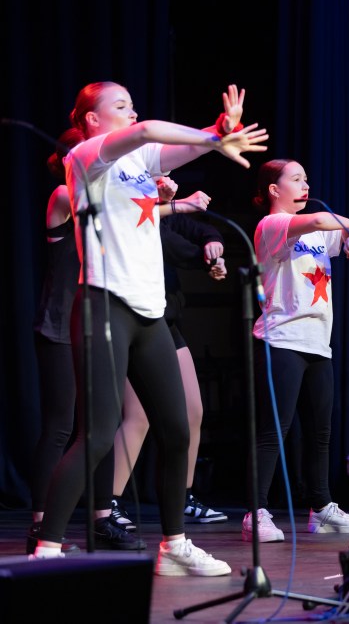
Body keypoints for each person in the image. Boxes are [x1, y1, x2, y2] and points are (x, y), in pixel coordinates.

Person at [32, 80, 267, 578]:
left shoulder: (139, 163)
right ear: (92, 119)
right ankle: (46, 550)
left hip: (149, 310)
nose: (132, 112)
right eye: (120, 105)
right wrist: (212, 135)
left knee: (177, 430)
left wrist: (215, 137)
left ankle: (175, 545)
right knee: (96, 434)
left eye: (133, 105)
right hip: (104, 303)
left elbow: (171, 148)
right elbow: (148, 132)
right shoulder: (88, 156)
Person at [28, 133, 205, 554]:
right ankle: (42, 526)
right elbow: (111, 204)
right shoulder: (68, 190)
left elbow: (130, 210)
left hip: (121, 316)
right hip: (68, 321)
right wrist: (166, 200)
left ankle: (103, 518)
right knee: (68, 427)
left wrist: (164, 197)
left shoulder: (114, 188)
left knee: (111, 424)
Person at [244, 158, 349, 542]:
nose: (305, 185)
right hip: (281, 340)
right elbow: (320, 220)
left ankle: (321, 507)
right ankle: (256, 512)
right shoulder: (273, 225)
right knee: (273, 431)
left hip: (317, 342)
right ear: (274, 189)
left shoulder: (318, 229)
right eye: (296, 179)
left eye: (306, 179)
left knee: (320, 432)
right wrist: (346, 226)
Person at [109, 181, 230, 532]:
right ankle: (108, 503)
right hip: (136, 318)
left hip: (166, 319)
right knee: (138, 416)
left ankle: (184, 496)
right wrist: (206, 260)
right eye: (161, 173)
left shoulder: (166, 210)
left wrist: (212, 242)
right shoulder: (135, 206)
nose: (170, 182)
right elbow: (171, 245)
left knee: (193, 410)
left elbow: (196, 227)